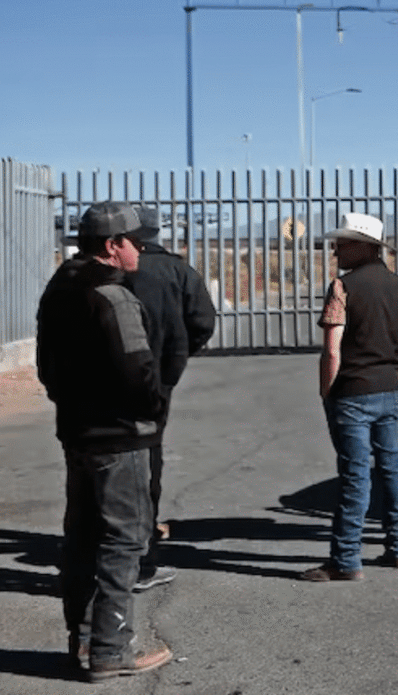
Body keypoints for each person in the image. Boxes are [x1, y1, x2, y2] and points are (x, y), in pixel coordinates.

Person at [36, 201, 173, 681]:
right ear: (113, 246)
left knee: (82, 537)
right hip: (120, 437)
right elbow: (139, 370)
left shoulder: (60, 288)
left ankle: (84, 641)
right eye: (136, 243)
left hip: (78, 433)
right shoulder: (113, 296)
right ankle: (111, 650)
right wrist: (153, 410)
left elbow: (46, 368)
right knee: (125, 539)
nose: (141, 250)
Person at [303, 213, 398, 581]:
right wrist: (393, 373)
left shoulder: (343, 288)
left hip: (352, 391)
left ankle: (346, 559)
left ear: (364, 247)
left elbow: (332, 350)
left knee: (355, 475)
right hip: (389, 388)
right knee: (392, 467)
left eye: (344, 243)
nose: (336, 249)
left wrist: (327, 390)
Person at [126, 205, 216, 593]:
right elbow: (203, 321)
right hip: (157, 380)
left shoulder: (102, 268)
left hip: (102, 382)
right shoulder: (178, 270)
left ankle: (108, 550)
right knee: (148, 458)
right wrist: (175, 359)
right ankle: (143, 550)